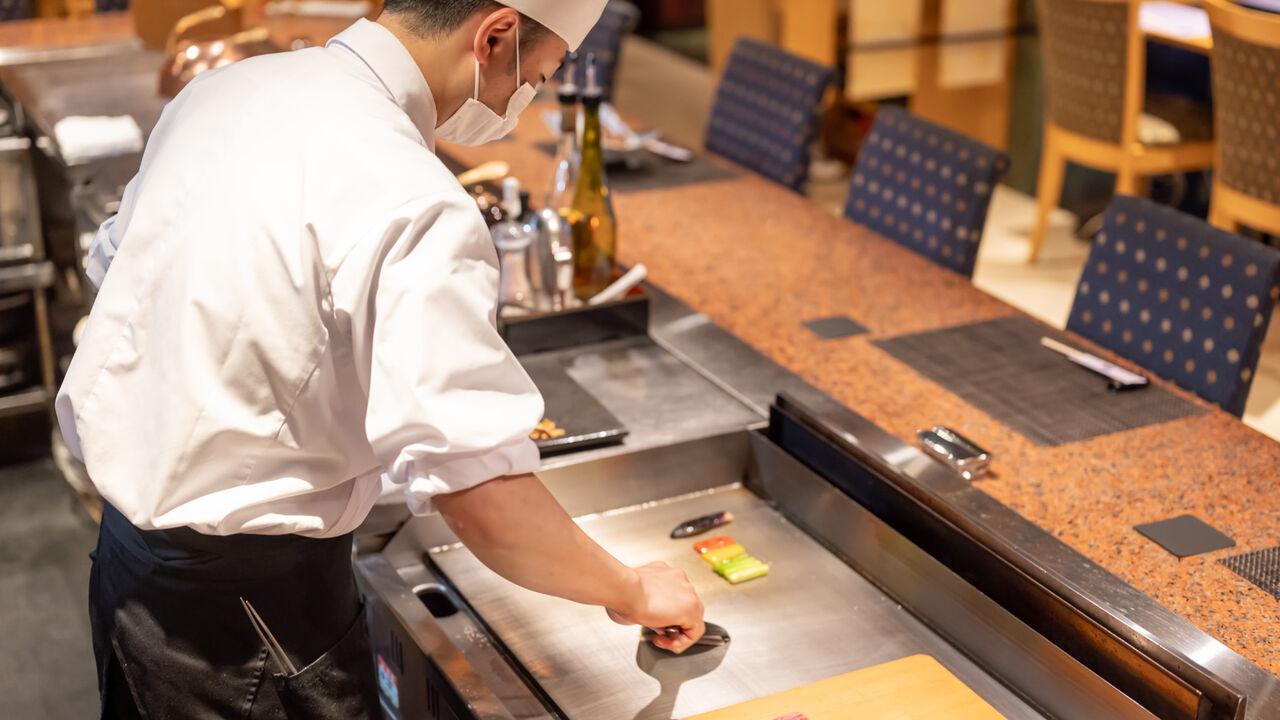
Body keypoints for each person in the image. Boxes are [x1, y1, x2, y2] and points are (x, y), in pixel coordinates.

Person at [54, 1, 705, 717]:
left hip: (128, 574)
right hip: (252, 627)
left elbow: (115, 265)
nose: (529, 100)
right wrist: (634, 589)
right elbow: (484, 499)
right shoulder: (413, 197)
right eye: (539, 77)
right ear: (494, 37)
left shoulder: (220, 92)